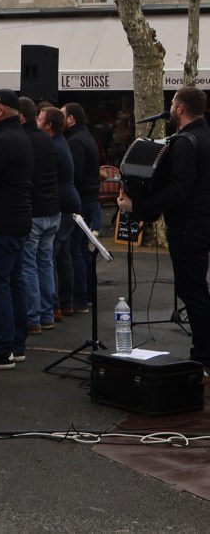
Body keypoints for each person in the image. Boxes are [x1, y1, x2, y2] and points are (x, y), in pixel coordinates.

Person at [118, 87, 210, 374]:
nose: (170, 108)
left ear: (180, 109)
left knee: (193, 291)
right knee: (197, 289)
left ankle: (203, 358)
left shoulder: (185, 143)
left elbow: (178, 191)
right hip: (203, 223)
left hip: (188, 227)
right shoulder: (205, 136)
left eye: (172, 103)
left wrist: (139, 205)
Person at [0, 88, 33, 369]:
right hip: (17, 219)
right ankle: (15, 344)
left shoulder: (3, 141)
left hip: (3, 221)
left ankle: (2, 349)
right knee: (13, 281)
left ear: (1, 110)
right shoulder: (15, 136)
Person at [17, 97, 60, 337]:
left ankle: (33, 318)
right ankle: (46, 314)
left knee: (29, 266)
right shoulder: (45, 138)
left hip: (34, 210)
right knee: (45, 263)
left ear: (21, 117)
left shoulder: (24, 140)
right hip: (52, 209)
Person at [37, 106, 80, 321]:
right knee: (62, 257)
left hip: (62, 205)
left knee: (49, 258)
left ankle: (53, 306)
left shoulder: (53, 146)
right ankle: (65, 303)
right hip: (69, 202)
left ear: (48, 125)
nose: (37, 121)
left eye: (40, 118)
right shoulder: (60, 143)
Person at [62, 102, 101, 314]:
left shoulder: (75, 142)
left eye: (62, 115)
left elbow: (74, 175)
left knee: (76, 251)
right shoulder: (87, 137)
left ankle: (80, 296)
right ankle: (86, 294)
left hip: (82, 201)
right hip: (90, 199)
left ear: (71, 119)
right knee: (82, 252)